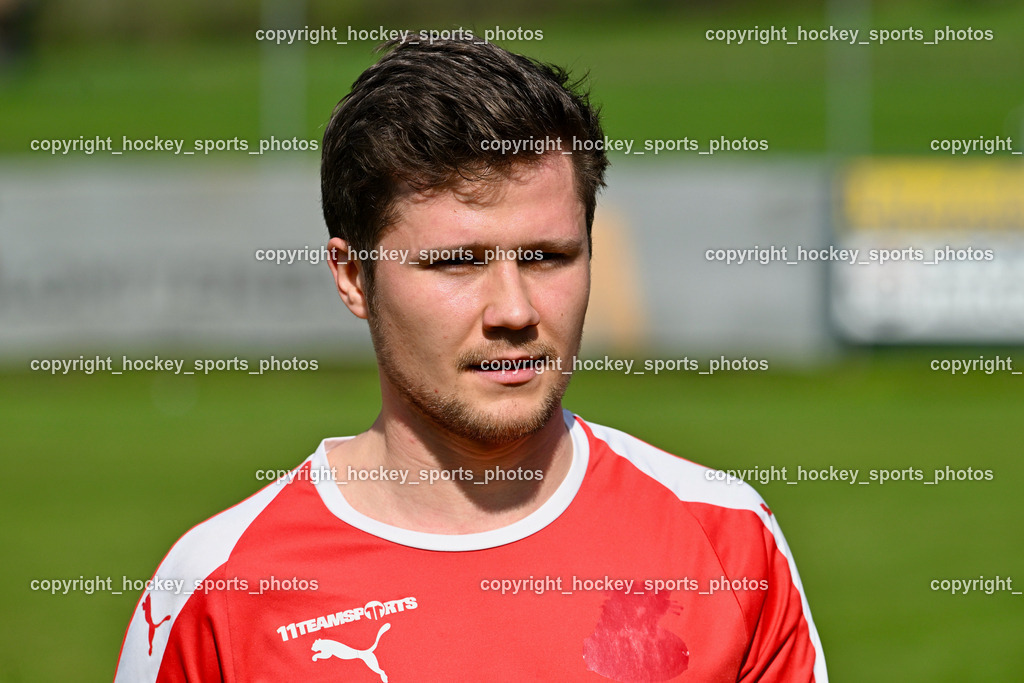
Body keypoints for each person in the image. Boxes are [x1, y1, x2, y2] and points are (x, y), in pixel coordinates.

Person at [115, 34, 827, 682]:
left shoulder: (725, 538)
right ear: (354, 277)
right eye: (456, 263)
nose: (514, 311)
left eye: (547, 257)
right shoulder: (217, 586)